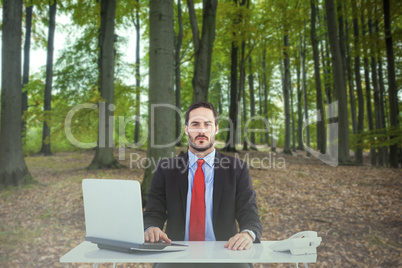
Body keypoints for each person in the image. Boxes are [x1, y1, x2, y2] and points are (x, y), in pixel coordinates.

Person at [143, 102, 262, 268]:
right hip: (176, 252)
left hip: (226, 251)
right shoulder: (165, 169)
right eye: (195, 124)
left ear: (216, 129)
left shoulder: (237, 169)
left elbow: (249, 212)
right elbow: (154, 211)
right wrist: (151, 227)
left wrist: (248, 234)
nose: (202, 130)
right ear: (186, 130)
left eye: (207, 124)